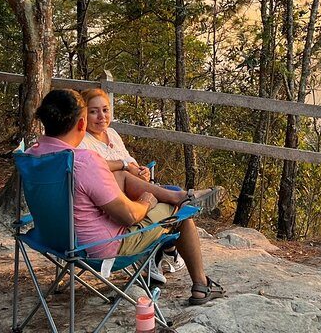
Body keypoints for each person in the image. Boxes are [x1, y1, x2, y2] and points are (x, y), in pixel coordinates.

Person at [30, 89, 225, 305]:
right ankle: (200, 285)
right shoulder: (83, 161)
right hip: (102, 246)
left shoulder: (32, 156)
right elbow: (129, 217)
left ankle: (172, 219)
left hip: (53, 239)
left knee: (144, 188)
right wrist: (147, 200)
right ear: (81, 124)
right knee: (182, 213)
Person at [78, 88, 227, 283]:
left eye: (105, 110)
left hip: (130, 194)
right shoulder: (82, 141)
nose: (101, 116)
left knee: (172, 192)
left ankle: (166, 252)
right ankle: (173, 259)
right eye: (93, 111)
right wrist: (124, 167)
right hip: (116, 206)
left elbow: (129, 162)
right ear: (83, 115)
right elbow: (95, 167)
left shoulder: (112, 133)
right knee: (178, 209)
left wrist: (140, 171)